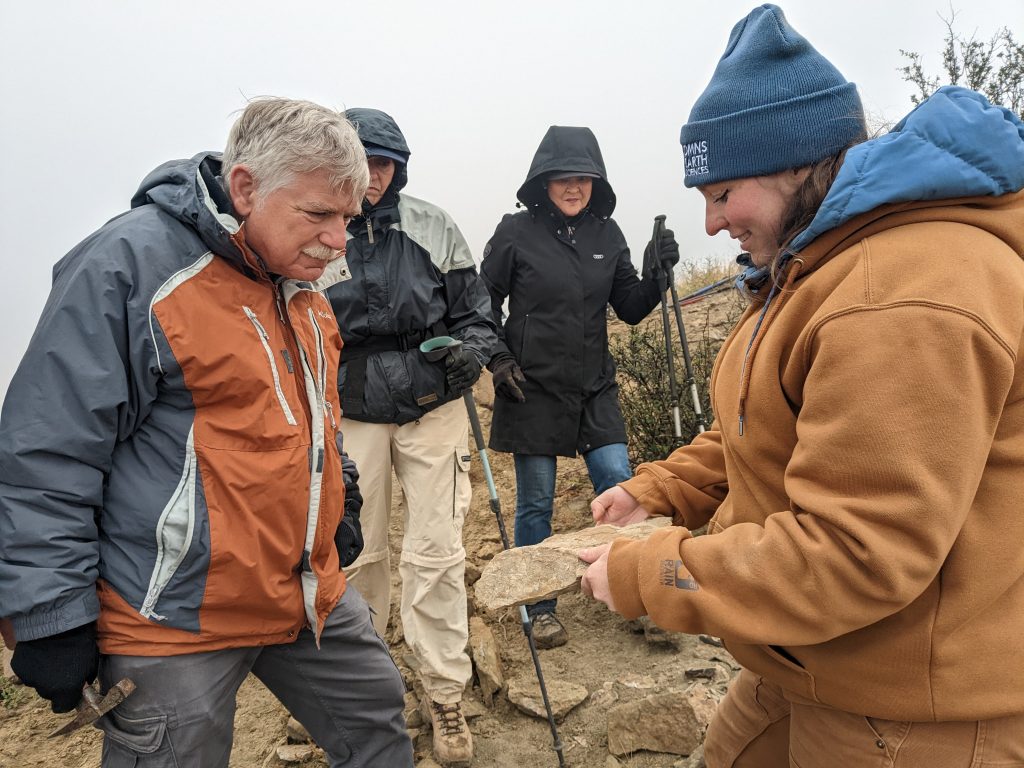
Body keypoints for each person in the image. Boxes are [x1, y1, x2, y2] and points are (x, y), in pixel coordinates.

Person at [579, 4, 1024, 767]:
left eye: (722, 194)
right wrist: (662, 488)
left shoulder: (897, 294)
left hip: (912, 708)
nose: (714, 224)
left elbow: (855, 552)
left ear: (795, 162)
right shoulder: (817, 267)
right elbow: (766, 420)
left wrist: (651, 572)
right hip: (806, 658)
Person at [0, 98, 414, 767]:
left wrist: (344, 496)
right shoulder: (129, 267)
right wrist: (49, 612)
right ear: (246, 187)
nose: (341, 240)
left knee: (378, 728)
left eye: (348, 218)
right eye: (318, 214)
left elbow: (315, 412)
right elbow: (47, 449)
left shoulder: (301, 277)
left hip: (307, 594)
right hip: (172, 618)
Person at [315, 107, 496, 767]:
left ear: (399, 168)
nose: (374, 176)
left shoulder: (432, 225)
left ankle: (444, 691)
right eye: (364, 162)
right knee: (357, 555)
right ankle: (362, 695)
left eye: (386, 163)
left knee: (437, 550)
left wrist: (471, 354)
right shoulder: (314, 230)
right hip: (349, 408)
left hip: (432, 403)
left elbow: (476, 313)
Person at [480, 126, 679, 649]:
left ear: (597, 182)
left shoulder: (607, 236)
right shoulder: (515, 232)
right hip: (531, 387)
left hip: (593, 388)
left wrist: (657, 273)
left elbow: (630, 309)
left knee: (620, 486)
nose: (574, 187)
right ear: (543, 181)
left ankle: (635, 594)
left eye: (584, 178)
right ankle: (539, 607)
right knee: (536, 502)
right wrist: (498, 358)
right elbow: (483, 301)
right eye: (562, 177)